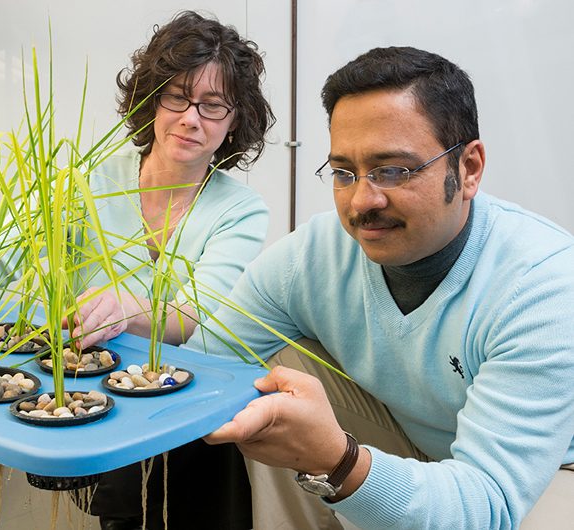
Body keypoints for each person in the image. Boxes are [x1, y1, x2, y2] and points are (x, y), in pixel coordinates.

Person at [0, 10, 275, 530]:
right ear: (151, 100)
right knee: (121, 515)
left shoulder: (240, 209)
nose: (191, 118)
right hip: (100, 399)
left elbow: (195, 313)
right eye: (176, 96)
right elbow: (0, 255)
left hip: (184, 407)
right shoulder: (86, 180)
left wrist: (127, 311)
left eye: (213, 105)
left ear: (236, 119)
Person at [186, 46, 574, 529]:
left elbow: (487, 507)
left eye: (394, 169)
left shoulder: (541, 285)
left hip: (540, 475)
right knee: (277, 366)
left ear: (469, 168)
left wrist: (339, 461)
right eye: (344, 173)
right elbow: (203, 364)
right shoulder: (315, 254)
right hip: (417, 443)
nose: (362, 200)